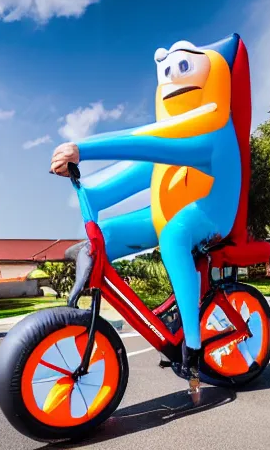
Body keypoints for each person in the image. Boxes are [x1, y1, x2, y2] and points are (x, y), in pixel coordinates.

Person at [50, 34, 249, 386]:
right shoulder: (169, 147)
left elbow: (146, 143)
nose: (173, 79)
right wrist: (87, 191)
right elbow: (132, 174)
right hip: (166, 213)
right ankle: (161, 315)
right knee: (105, 235)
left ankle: (191, 342)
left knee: (174, 235)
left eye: (183, 68)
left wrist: (83, 148)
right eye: (168, 72)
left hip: (211, 215)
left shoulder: (214, 135)